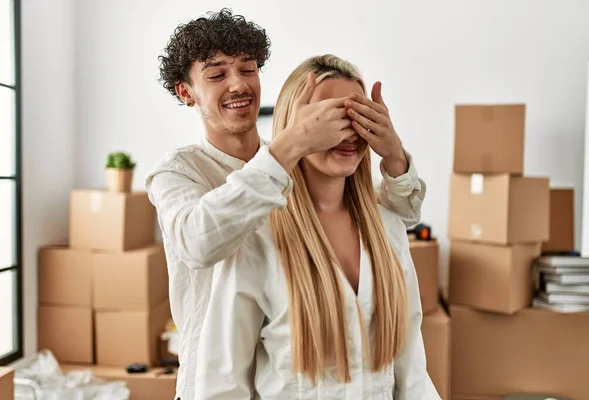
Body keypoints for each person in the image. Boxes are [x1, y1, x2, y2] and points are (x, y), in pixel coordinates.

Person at [145, 9, 427, 400]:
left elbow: (399, 215)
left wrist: (392, 154)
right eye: (216, 75)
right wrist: (293, 144)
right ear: (186, 91)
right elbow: (198, 242)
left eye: (248, 69)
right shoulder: (180, 172)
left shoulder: (296, 168)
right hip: (210, 380)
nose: (238, 85)